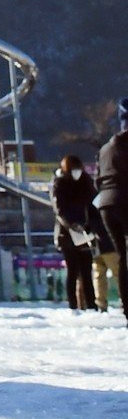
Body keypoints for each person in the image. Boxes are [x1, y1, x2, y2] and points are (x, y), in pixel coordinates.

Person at [93, 97, 128, 328]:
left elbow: (97, 181)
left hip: (107, 204)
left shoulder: (106, 147)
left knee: (124, 257)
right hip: (125, 199)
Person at [51, 153, 97, 312]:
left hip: (85, 231)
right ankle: (73, 306)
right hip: (67, 233)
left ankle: (91, 304)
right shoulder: (59, 184)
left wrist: (91, 225)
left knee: (86, 271)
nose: (77, 172)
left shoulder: (86, 182)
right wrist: (73, 225)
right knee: (72, 270)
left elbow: (93, 205)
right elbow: (59, 210)